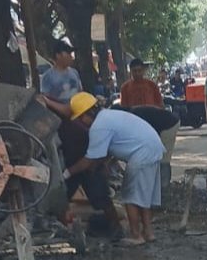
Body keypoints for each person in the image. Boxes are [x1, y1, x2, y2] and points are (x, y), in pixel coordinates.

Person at [65, 92, 164, 246]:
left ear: (86, 113)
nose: (81, 122)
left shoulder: (98, 126)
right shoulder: (108, 116)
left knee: (131, 196)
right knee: (143, 197)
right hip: (152, 147)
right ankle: (148, 233)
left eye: (80, 118)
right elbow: (107, 151)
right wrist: (106, 164)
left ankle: (136, 235)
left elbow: (89, 160)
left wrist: (67, 172)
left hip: (142, 153)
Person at [57, 113, 122, 241]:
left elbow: (98, 154)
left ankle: (116, 228)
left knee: (101, 198)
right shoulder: (77, 125)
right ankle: (63, 229)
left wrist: (100, 164)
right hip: (74, 163)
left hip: (88, 165)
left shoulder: (88, 129)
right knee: (60, 198)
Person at [40, 41, 82, 117]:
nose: (71, 57)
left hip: (78, 115)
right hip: (60, 117)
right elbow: (46, 100)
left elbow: (80, 92)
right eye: (68, 53)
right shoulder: (47, 77)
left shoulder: (74, 72)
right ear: (58, 55)